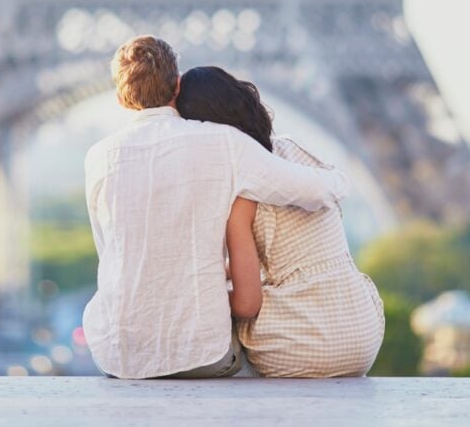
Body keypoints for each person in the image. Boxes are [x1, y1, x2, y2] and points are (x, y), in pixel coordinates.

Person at [82, 36, 351, 380]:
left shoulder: (98, 157)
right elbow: (316, 190)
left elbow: (113, 254)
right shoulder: (223, 142)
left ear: (121, 99)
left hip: (119, 355)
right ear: (176, 87)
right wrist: (339, 180)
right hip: (203, 356)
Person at [175, 66, 385, 377]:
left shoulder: (240, 196)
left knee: (217, 332)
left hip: (301, 345)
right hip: (361, 333)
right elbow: (291, 255)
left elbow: (247, 303)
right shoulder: (295, 153)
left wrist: (196, 295)